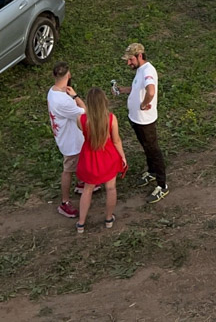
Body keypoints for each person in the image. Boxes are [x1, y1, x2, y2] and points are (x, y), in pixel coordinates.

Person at [115, 43, 167, 203]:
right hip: (136, 119)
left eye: (130, 60)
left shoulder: (148, 71)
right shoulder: (140, 70)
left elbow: (150, 91)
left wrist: (144, 104)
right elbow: (139, 88)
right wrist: (124, 90)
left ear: (139, 56)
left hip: (145, 121)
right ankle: (151, 172)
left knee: (153, 150)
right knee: (146, 147)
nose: (128, 63)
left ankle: (162, 185)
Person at [74, 87, 128, 233]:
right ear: (104, 101)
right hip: (108, 157)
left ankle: (81, 223)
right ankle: (109, 219)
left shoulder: (81, 119)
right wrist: (122, 156)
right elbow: (116, 141)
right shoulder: (111, 118)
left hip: (90, 159)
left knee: (87, 189)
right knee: (111, 188)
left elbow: (83, 127)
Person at [47, 63, 86, 220]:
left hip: (65, 137)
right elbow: (85, 113)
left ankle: (81, 183)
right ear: (68, 76)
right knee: (68, 169)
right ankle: (64, 202)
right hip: (71, 142)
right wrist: (76, 97)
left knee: (79, 162)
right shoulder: (64, 101)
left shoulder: (52, 92)